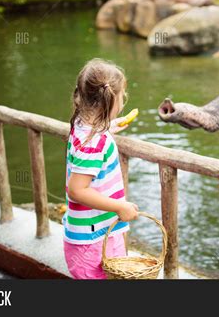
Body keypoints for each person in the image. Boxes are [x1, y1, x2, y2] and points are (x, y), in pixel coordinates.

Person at [63, 58, 139, 279]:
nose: (123, 100)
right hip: (94, 239)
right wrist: (119, 207)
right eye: (122, 96)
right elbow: (76, 190)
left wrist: (111, 126)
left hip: (88, 233)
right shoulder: (96, 142)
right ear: (110, 101)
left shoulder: (81, 125)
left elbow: (93, 138)